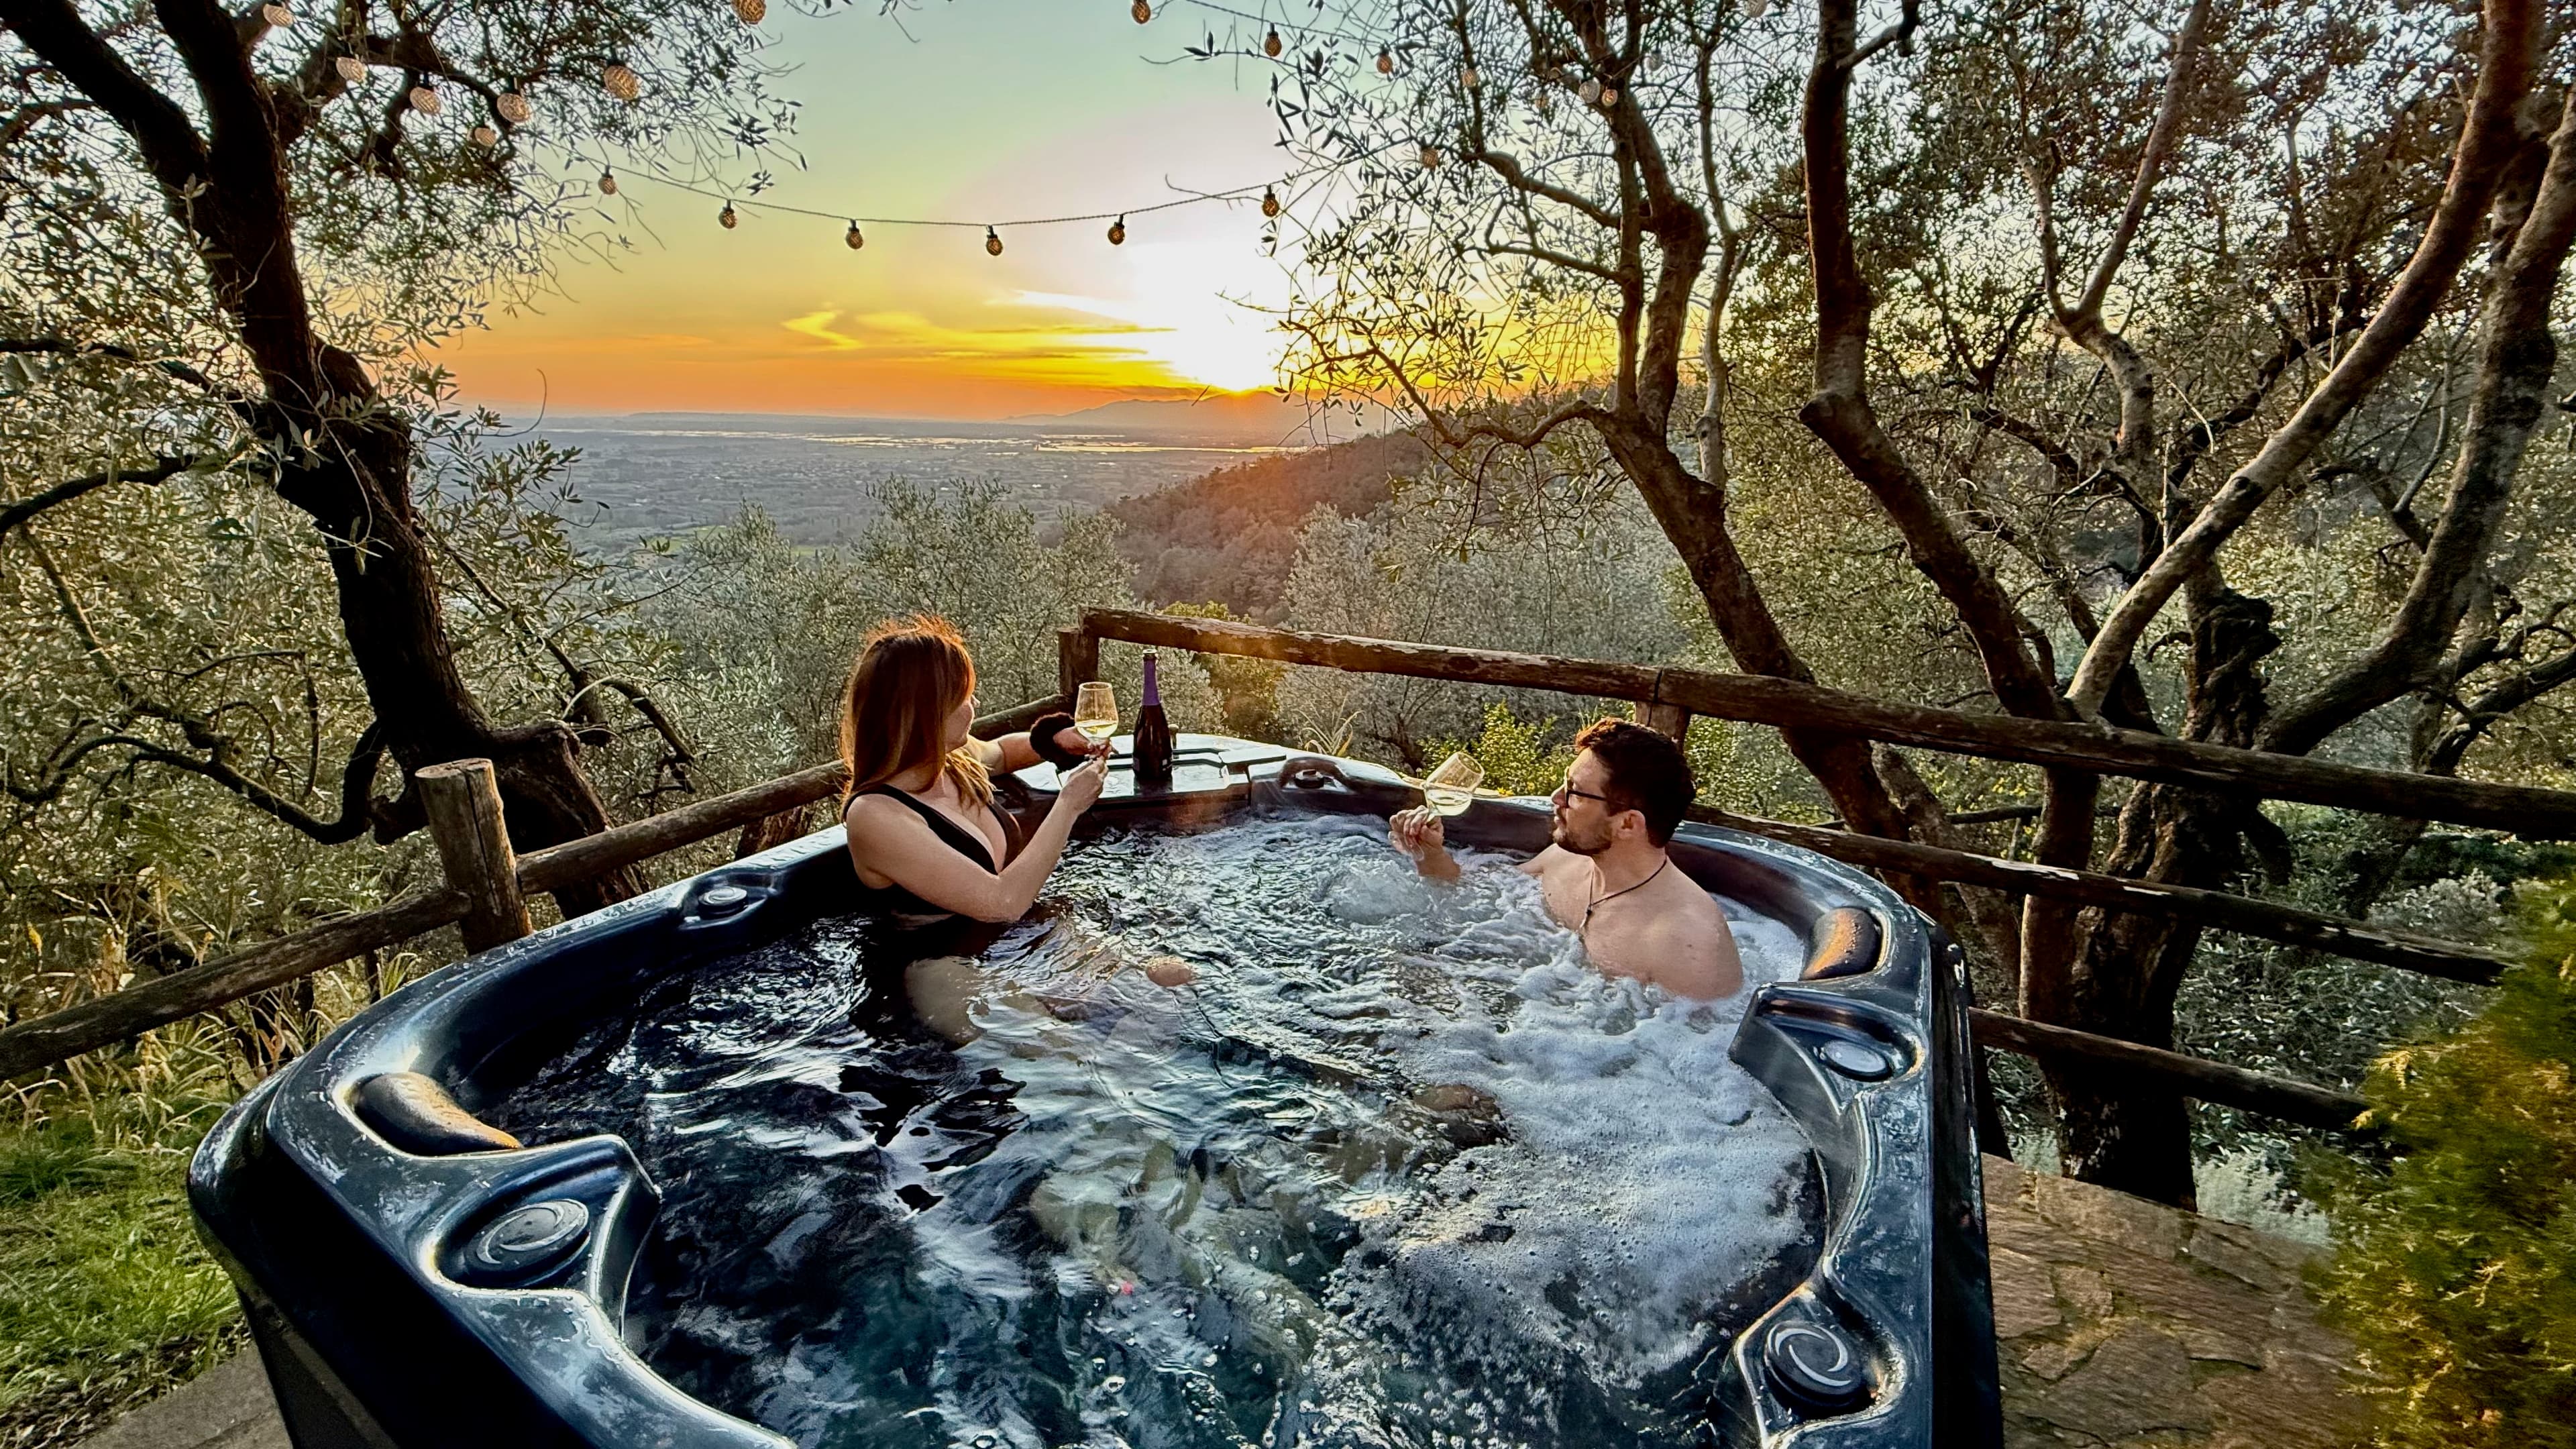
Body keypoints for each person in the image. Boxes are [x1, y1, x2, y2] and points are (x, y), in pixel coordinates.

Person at [1389, 718, 1745, 1000]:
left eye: (1574, 792)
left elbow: (1696, 1057)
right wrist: (1430, 854)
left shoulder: (1686, 944)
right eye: (1565, 783)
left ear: (1627, 824)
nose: (1555, 798)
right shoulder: (1567, 857)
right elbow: (1475, 892)